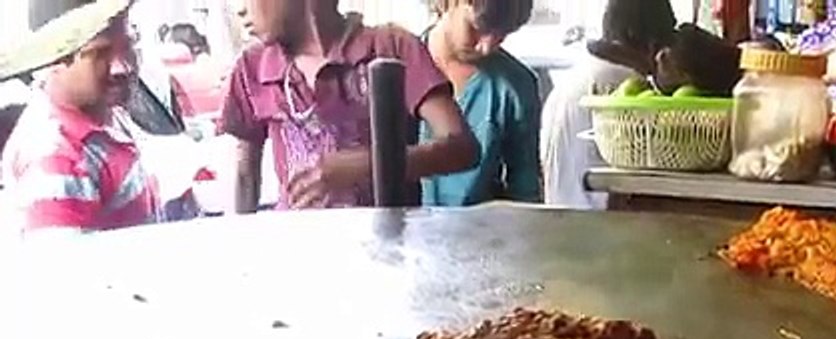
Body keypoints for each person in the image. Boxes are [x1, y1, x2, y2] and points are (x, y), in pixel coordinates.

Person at [222, 0, 478, 213]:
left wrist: (367, 163)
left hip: (388, 249)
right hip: (298, 250)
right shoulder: (251, 68)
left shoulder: (391, 48)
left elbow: (462, 148)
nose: (240, 9)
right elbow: (246, 175)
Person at [0, 0, 166, 234]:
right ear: (55, 60)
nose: (123, 67)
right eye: (100, 53)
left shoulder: (106, 112)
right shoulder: (56, 160)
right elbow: (69, 268)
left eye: (128, 45)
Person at [540, 0, 677, 210]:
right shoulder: (625, 85)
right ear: (650, 43)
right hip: (604, 228)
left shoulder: (571, 80)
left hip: (561, 225)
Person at [420, 0, 541, 206]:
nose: (486, 47)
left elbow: (525, 191)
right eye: (477, 28)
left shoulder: (514, 86)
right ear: (449, 3)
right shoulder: (397, 69)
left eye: (501, 37)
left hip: (479, 232)